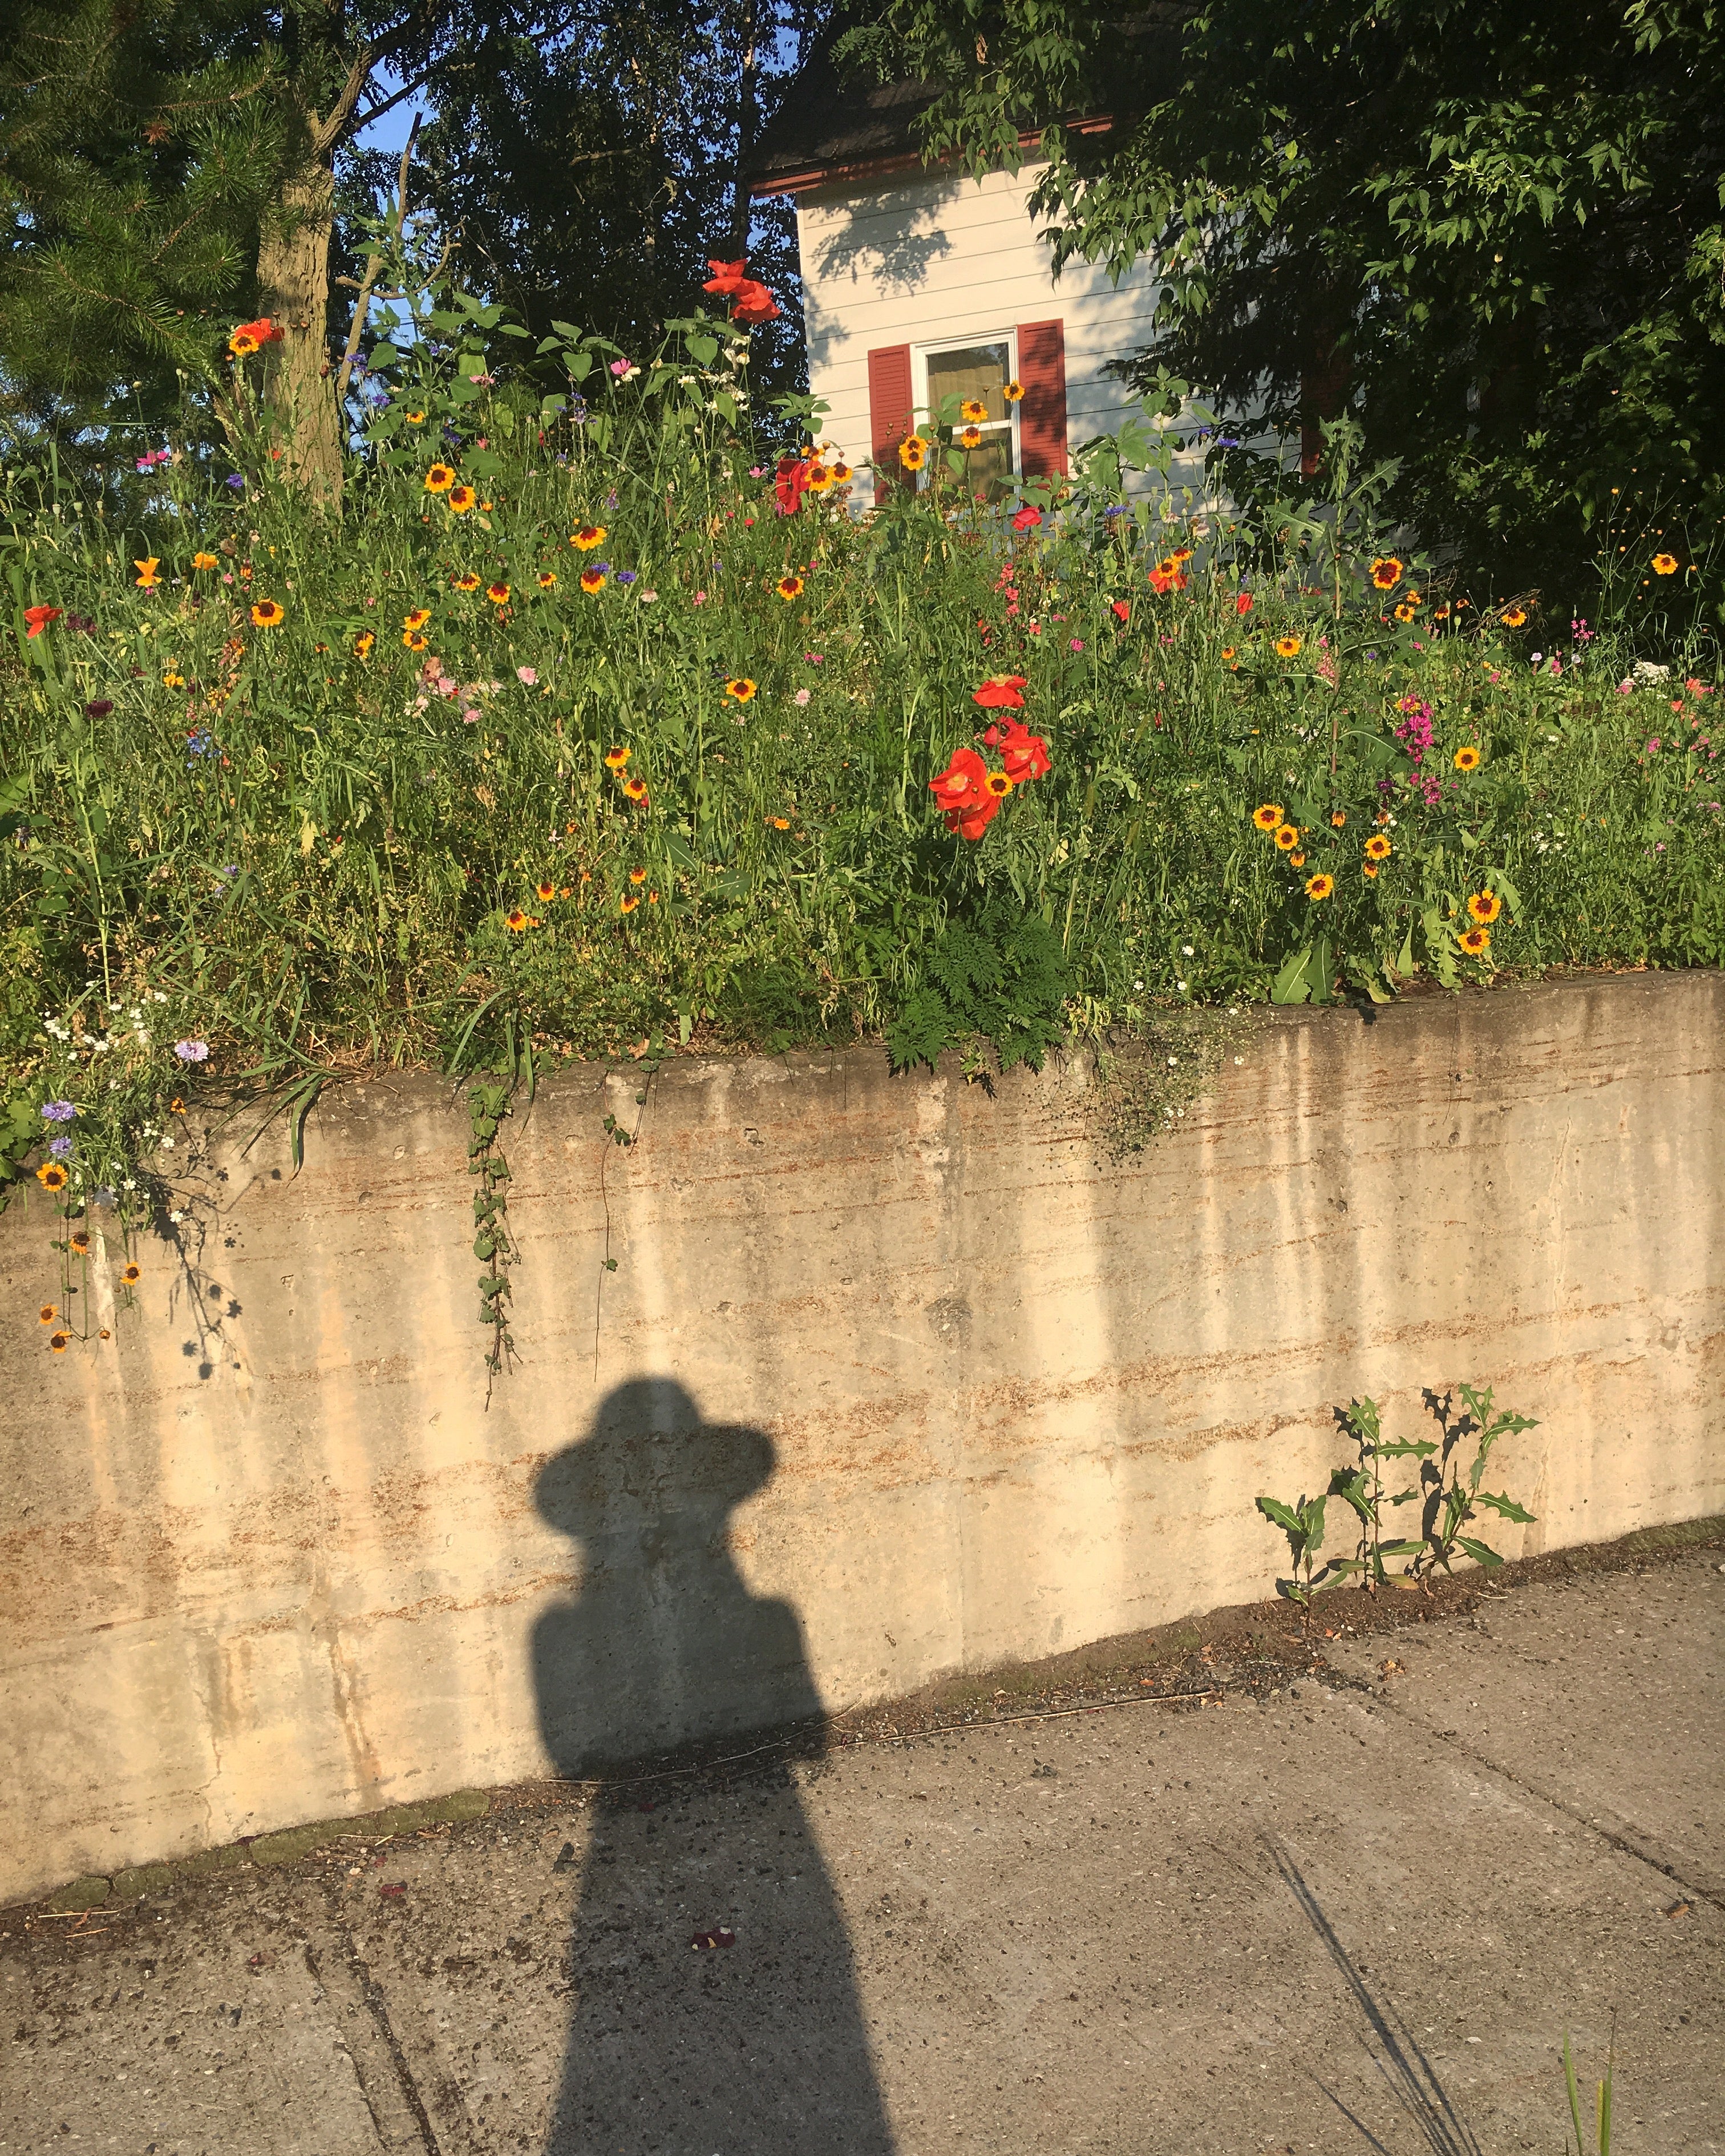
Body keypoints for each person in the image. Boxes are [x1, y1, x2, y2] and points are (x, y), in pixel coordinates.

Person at [533, 1377, 895, 2153]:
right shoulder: (753, 1616)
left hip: (651, 1828)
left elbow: (569, 1755)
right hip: (768, 1817)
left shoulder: (567, 1631)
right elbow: (811, 1739)